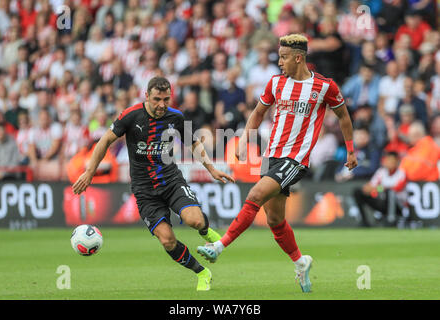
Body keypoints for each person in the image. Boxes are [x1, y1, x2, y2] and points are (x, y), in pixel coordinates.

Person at [197, 34, 358, 293]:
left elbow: (344, 117)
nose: (279, 62)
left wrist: (350, 150)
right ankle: (300, 261)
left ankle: (218, 246)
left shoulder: (324, 87)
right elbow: (258, 113)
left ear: (298, 57)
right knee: (274, 219)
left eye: (283, 57)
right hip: (272, 156)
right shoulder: (275, 83)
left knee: (255, 193)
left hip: (296, 159)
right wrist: (241, 141)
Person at [72, 77, 234, 291]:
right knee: (167, 240)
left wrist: (211, 169)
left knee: (193, 220)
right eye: (157, 99)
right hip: (144, 190)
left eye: (166, 99)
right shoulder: (130, 116)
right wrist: (90, 172)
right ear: (146, 96)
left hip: (171, 181)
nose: (162, 104)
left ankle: (205, 231)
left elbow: (193, 142)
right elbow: (105, 141)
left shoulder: (176, 117)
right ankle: (202, 272)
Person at [353, 151, 407, 227]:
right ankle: (364, 221)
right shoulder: (381, 172)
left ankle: (391, 220)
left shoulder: (401, 173)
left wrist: (379, 188)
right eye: (388, 160)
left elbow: (396, 188)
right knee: (358, 192)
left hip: (398, 205)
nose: (389, 163)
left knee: (390, 192)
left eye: (392, 161)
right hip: (383, 202)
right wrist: (369, 188)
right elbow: (370, 186)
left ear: (397, 162)